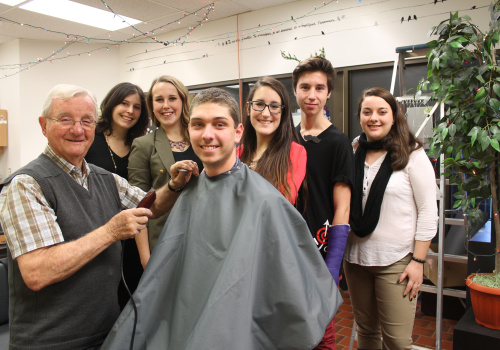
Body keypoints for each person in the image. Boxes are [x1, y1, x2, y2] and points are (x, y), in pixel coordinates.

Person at [102, 88, 341, 350]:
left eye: (219, 124)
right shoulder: (189, 190)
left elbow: (293, 294)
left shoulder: (266, 201)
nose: (207, 134)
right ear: (189, 130)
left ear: (238, 132)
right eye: (198, 125)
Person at [0, 84, 199, 350]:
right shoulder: (27, 184)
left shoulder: (104, 178)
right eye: (65, 119)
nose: (78, 129)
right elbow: (37, 272)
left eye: (86, 121)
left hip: (106, 334)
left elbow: (149, 206)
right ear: (43, 125)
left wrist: (174, 184)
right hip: (50, 342)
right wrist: (110, 232)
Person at [344, 87, 437, 350]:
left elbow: (429, 211)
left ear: (394, 117)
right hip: (356, 259)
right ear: (360, 117)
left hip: (396, 262)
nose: (374, 118)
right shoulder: (353, 151)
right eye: (367, 112)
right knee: (367, 334)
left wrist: (418, 261)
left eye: (382, 112)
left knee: (397, 342)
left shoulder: (412, 154)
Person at [293, 56, 354, 349]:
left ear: (329, 92)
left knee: (321, 332)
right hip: (285, 247)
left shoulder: (338, 142)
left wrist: (333, 265)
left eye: (319, 88)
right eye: (305, 87)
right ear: (295, 91)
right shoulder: (286, 138)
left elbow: (343, 207)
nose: (311, 95)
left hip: (320, 250)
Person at [85, 82, 149, 309]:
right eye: (124, 103)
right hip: (94, 229)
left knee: (129, 300)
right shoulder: (90, 139)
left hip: (133, 236)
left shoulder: (140, 145)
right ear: (111, 104)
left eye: (137, 107)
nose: (130, 111)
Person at [128, 75, 202, 268]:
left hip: (204, 237)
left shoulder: (201, 138)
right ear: (151, 106)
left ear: (183, 101)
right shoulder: (143, 145)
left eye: (172, 98)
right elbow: (138, 205)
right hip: (163, 241)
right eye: (159, 100)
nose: (166, 105)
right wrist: (146, 259)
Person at [238, 77, 306, 205]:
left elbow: (280, 204)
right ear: (248, 108)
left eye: (274, 106)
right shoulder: (237, 153)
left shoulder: (295, 152)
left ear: (283, 112)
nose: (265, 113)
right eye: (259, 104)